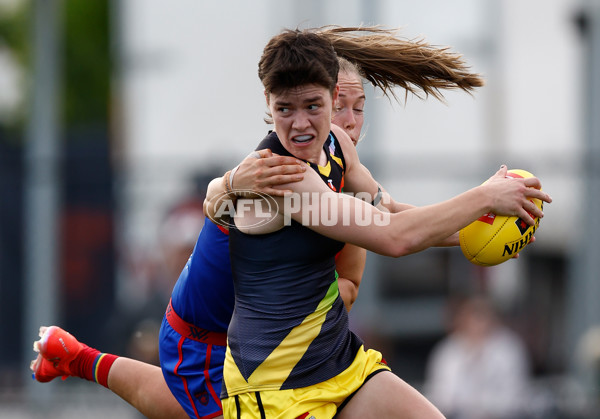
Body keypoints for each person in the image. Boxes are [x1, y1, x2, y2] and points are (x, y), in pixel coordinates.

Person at [201, 26, 551, 419]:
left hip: (338, 360)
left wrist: (482, 227)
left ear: (332, 97)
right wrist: (485, 196)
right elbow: (396, 238)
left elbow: (388, 212)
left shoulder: (336, 144)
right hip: (277, 387)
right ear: (268, 101)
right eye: (285, 109)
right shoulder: (283, 177)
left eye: (313, 106)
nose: (300, 124)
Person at [30, 56, 377, 419]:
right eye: (338, 107)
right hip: (205, 339)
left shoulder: (339, 169)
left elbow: (352, 278)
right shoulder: (281, 169)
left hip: (254, 347)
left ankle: (75, 356)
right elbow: (395, 236)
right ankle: (78, 358)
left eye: (359, 108)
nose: (350, 122)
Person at [423, 295, 532, 419]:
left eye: (482, 317)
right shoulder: (448, 351)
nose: (477, 324)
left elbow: (514, 396)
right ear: (462, 319)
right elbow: (440, 395)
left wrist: (485, 409)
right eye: (473, 317)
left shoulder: (509, 348)